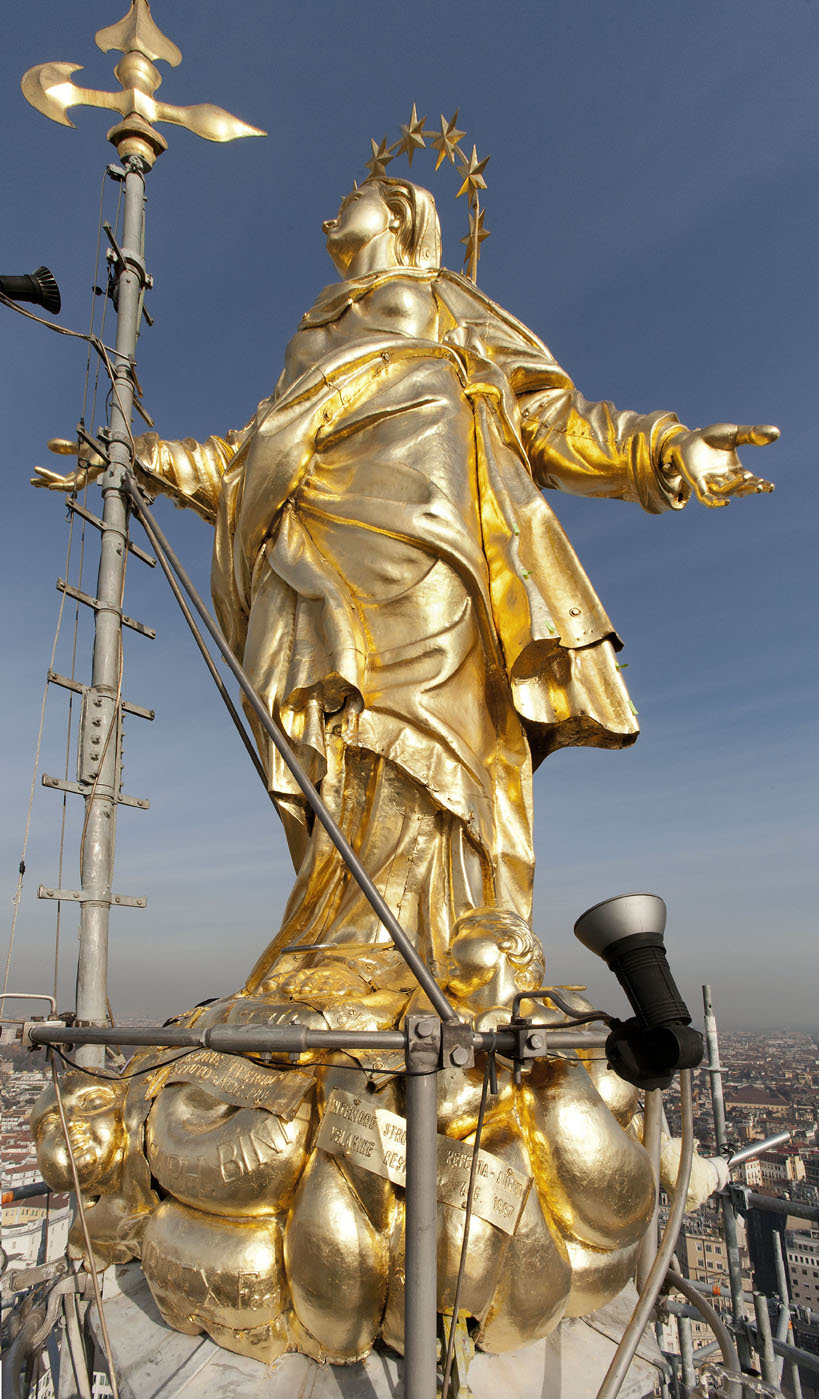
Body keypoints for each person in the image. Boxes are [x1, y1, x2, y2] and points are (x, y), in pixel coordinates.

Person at [35, 177, 777, 999]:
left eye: (353, 196)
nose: (330, 207)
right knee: (337, 746)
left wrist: (664, 450)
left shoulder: (443, 299)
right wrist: (136, 457)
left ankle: (442, 946)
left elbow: (548, 422)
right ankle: (342, 947)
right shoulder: (312, 333)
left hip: (429, 546)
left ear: (397, 214)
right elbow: (252, 459)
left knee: (434, 737)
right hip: (314, 557)